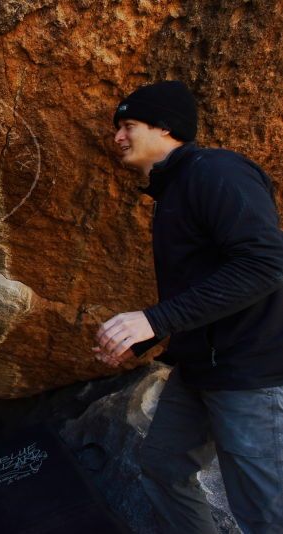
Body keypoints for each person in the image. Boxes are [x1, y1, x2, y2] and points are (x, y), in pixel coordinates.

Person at [95, 80, 283, 533]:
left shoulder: (216, 171)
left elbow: (265, 264)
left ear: (166, 128)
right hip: (200, 371)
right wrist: (145, 336)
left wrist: (154, 319)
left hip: (249, 374)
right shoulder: (170, 192)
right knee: (163, 467)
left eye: (129, 125)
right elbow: (199, 289)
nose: (118, 136)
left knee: (265, 511)